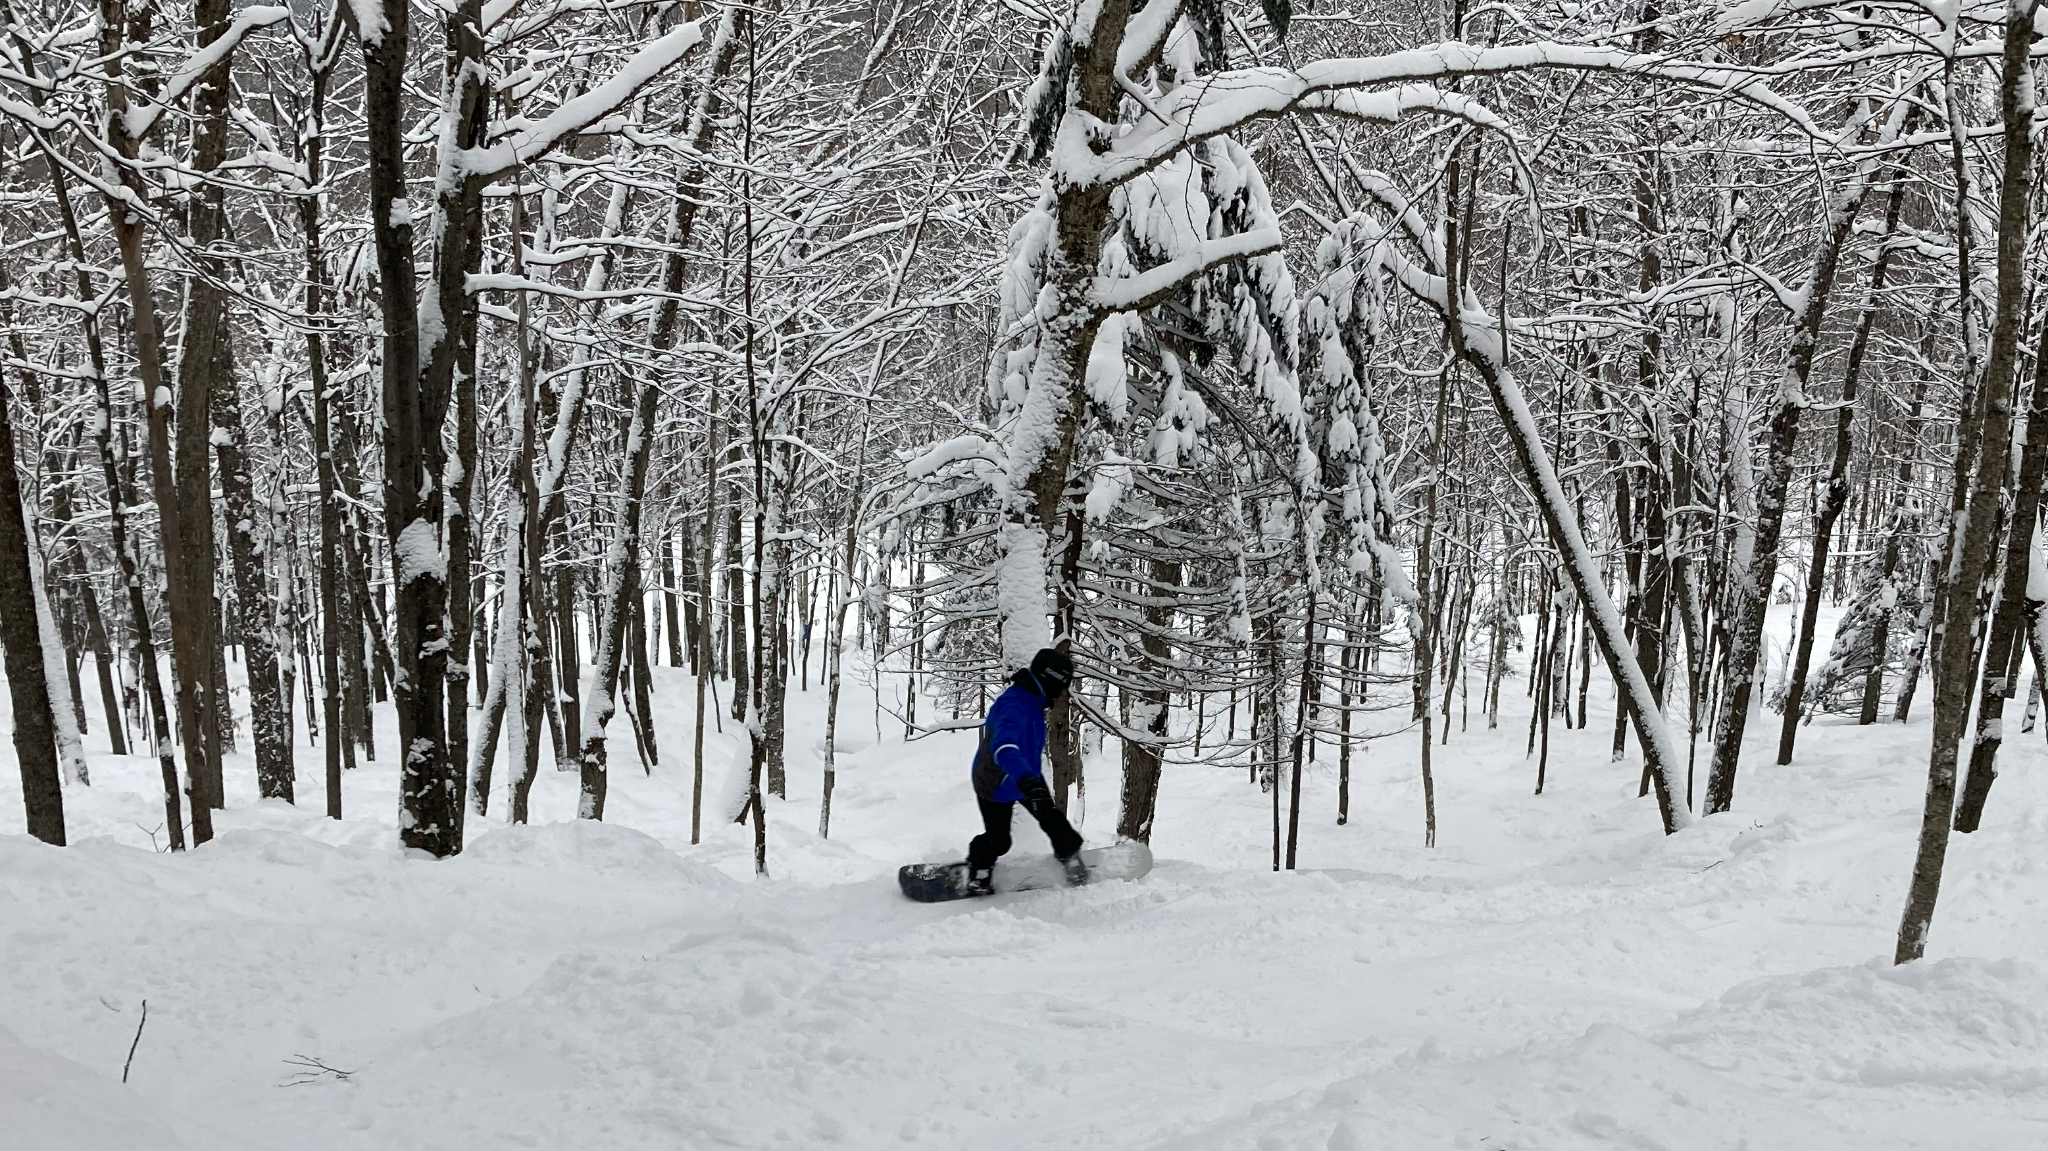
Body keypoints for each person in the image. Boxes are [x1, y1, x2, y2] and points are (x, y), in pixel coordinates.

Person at [964, 646, 1086, 895]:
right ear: (1049, 679)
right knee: (999, 841)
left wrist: (1029, 778)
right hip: (995, 782)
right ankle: (980, 869)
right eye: (1062, 685)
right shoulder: (1013, 705)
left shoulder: (1034, 701)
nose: (1063, 692)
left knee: (1052, 818)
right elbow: (1005, 747)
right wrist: (1026, 779)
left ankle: (1069, 854)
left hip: (1024, 775)